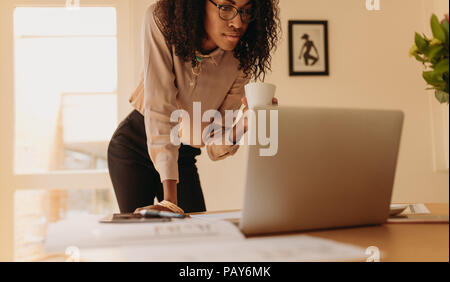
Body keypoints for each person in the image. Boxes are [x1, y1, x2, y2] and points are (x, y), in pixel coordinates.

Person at [107, 0, 280, 215]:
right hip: (134, 145)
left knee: (196, 239)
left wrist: (244, 124)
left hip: (184, 154)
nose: (238, 22)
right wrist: (169, 201)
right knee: (140, 239)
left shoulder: (239, 60)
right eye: (226, 7)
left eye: (246, 11)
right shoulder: (162, 22)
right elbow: (161, 108)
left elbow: (214, 145)